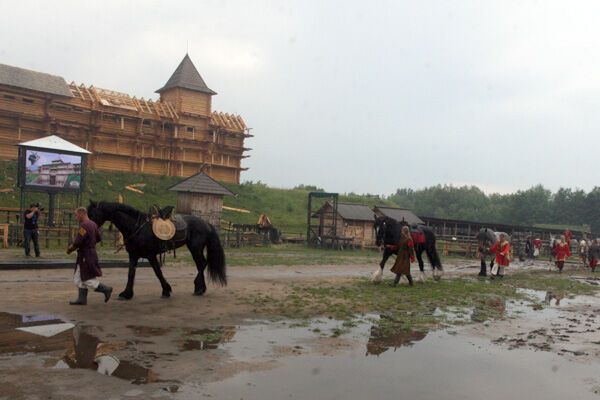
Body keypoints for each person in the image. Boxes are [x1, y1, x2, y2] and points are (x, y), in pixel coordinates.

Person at [67, 207, 112, 305]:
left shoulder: (84, 226)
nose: (76, 217)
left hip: (85, 255)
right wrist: (90, 243)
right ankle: (82, 299)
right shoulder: (93, 224)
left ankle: (106, 289)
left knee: (87, 278)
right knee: (80, 276)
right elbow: (98, 238)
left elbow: (78, 241)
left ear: (82, 214)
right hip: (91, 253)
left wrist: (70, 249)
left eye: (76, 215)